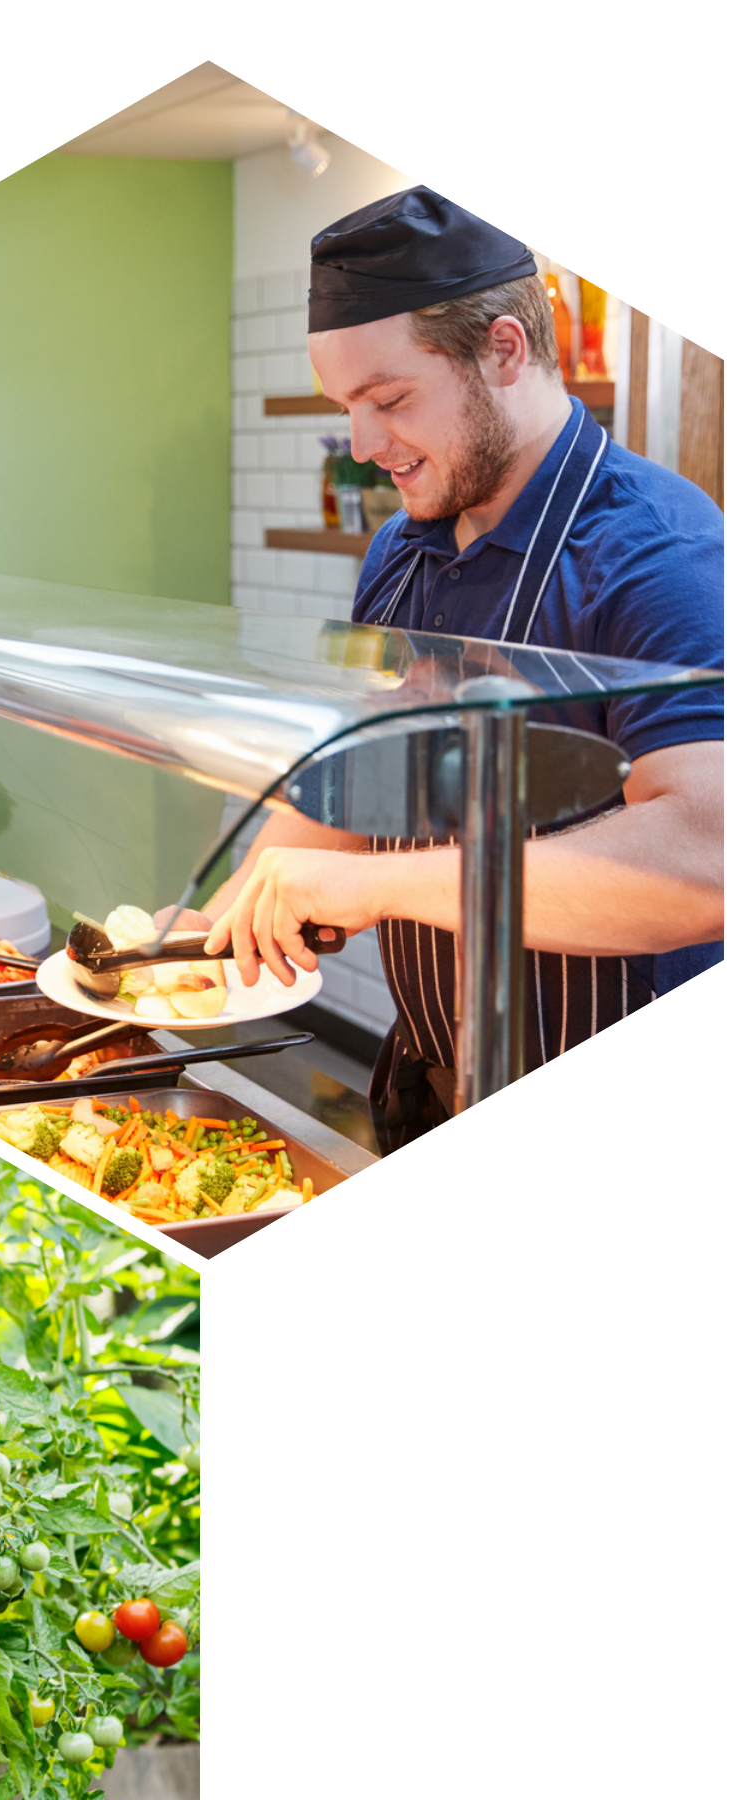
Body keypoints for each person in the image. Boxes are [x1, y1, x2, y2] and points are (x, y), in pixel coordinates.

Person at [197, 186, 723, 1147]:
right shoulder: (401, 551)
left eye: (389, 400)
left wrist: (377, 888)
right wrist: (202, 933)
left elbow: (708, 856)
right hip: (428, 1087)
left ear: (505, 351)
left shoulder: (659, 554)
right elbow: (362, 781)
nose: (362, 448)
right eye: (345, 409)